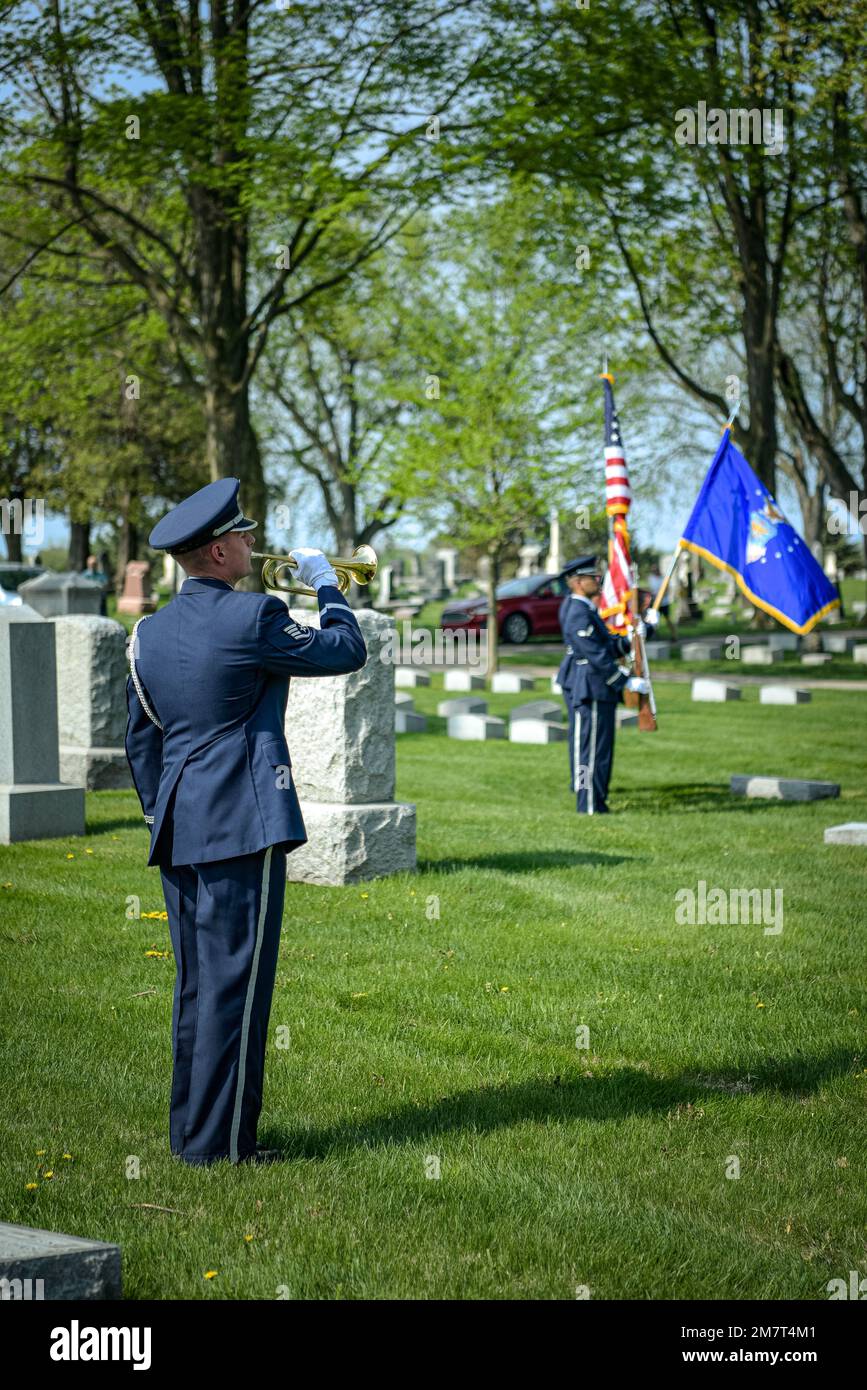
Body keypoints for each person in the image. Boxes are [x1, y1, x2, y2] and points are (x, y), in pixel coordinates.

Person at [124, 477, 367, 1166]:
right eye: (245, 537)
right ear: (222, 550)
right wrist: (326, 586)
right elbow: (344, 651)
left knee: (198, 986)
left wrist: (157, 810)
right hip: (239, 822)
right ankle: (226, 1147)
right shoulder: (254, 614)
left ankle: (192, 1137)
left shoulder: (147, 633)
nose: (254, 545)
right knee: (237, 986)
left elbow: (139, 737)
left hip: (178, 825)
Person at [556, 554, 649, 815]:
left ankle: (597, 801)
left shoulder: (586, 610)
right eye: (591, 577)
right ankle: (588, 805)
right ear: (576, 582)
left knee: (601, 750)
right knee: (591, 751)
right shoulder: (577, 613)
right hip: (592, 686)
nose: (597, 580)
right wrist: (625, 681)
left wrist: (634, 636)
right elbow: (595, 655)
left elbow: (607, 645)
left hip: (597, 686)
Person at [645, 560, 677, 640]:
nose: (655, 572)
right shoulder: (651, 578)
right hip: (655, 603)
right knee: (653, 620)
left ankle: (674, 635)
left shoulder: (663, 578)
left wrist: (660, 595)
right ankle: (654, 635)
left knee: (668, 620)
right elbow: (651, 589)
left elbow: (667, 590)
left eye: (656, 570)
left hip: (664, 602)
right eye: (653, 570)